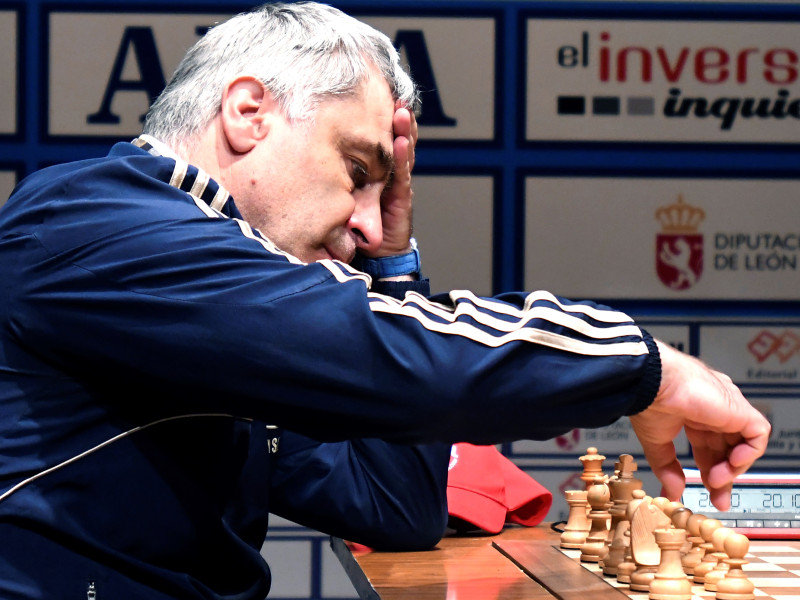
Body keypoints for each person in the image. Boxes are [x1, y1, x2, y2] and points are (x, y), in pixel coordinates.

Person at [0, 2, 769, 599]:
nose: (365, 225)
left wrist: (394, 262)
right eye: (358, 169)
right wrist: (643, 364)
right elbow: (390, 356)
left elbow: (392, 506)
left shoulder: (215, 307)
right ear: (248, 113)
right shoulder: (96, 223)